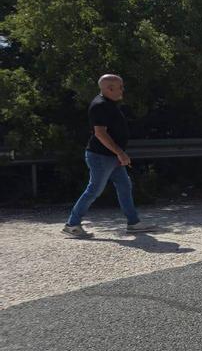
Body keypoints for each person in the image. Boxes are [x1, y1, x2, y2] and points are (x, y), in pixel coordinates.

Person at [62, 74, 156, 238]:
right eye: (120, 87)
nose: (122, 90)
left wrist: (118, 154)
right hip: (101, 156)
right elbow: (100, 133)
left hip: (111, 156)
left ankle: (133, 223)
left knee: (124, 186)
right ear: (109, 88)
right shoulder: (99, 105)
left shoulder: (109, 104)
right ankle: (72, 224)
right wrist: (120, 152)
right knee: (94, 190)